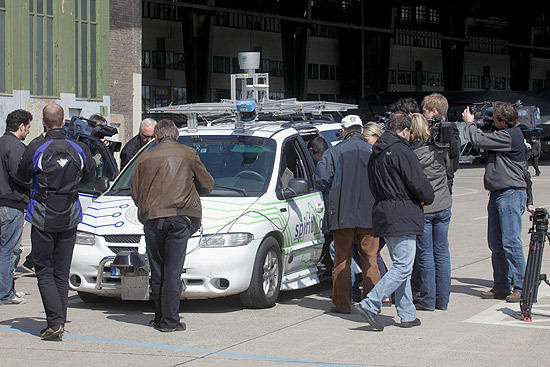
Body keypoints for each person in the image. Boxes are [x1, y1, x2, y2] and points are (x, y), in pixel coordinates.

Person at [16, 103, 95, 340]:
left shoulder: (37, 147)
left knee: (44, 270)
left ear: (43, 123)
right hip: (70, 214)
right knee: (61, 271)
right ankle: (57, 320)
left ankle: (55, 322)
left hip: (43, 215)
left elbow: (22, 175)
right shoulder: (79, 148)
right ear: (63, 122)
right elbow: (90, 177)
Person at [131, 119, 214, 332]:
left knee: (157, 270)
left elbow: (135, 192)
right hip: (179, 218)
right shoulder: (188, 154)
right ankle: (170, 320)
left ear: (157, 136)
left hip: (152, 219)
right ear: (176, 135)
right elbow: (207, 184)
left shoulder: (144, 157)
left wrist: (147, 209)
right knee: (172, 271)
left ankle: (159, 317)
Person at [355, 113, 434, 331]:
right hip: (402, 213)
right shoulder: (400, 150)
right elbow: (418, 181)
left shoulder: (377, 153)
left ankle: (407, 314)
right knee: (403, 265)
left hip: (384, 212)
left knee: (402, 266)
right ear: (405, 131)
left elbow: (373, 184)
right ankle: (371, 303)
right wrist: (427, 197)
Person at [462, 102, 534, 303]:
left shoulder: (511, 135)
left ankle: (520, 286)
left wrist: (470, 123)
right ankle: (501, 285)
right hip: (498, 193)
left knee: (511, 242)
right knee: (496, 243)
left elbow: (477, 139)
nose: (490, 120)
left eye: (493, 118)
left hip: (510, 193)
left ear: (502, 121)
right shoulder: (504, 133)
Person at [314, 115, 380, 314]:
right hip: (370, 215)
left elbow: (321, 180)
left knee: (342, 259)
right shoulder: (374, 152)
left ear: (344, 131)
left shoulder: (334, 152)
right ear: (361, 130)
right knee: (370, 259)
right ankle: (373, 304)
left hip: (342, 215)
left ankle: (342, 304)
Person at [409, 113, 452, 311]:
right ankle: (442, 300)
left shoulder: (413, 155)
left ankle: (427, 300)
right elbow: (449, 170)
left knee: (425, 255)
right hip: (443, 204)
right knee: (442, 253)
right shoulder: (440, 149)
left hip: (425, 208)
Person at [0, 109, 32, 305]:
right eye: (28, 127)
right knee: (8, 249)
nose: (28, 131)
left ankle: (7, 288)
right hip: (11, 204)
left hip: (4, 202)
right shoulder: (15, 146)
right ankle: (5, 292)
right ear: (21, 126)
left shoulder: (2, 143)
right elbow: (20, 174)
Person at [421, 93, 460, 193]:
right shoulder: (453, 132)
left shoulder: (449, 131)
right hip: (446, 186)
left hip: (438, 186)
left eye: (425, 112)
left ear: (434, 111)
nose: (423, 115)